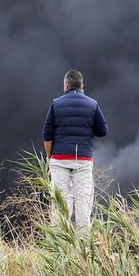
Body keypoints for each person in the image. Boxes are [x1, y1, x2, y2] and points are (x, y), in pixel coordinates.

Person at [41, 69, 108, 229]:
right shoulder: (93, 104)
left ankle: (59, 240)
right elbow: (103, 131)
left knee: (60, 205)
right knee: (83, 203)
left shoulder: (56, 104)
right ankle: (83, 241)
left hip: (60, 160)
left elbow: (46, 135)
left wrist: (50, 157)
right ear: (82, 85)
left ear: (66, 85)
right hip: (83, 160)